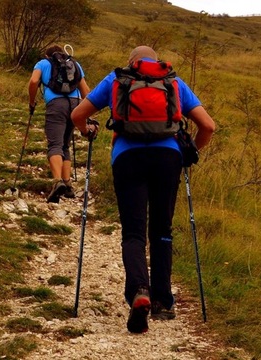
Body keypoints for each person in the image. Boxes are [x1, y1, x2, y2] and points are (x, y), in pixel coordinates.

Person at [71, 46, 215, 333]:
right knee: (162, 229)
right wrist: (190, 154)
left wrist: (87, 131)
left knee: (133, 232)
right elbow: (208, 126)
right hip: (168, 159)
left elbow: (78, 114)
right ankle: (163, 301)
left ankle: (139, 291)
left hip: (127, 158)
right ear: (155, 61)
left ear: (132, 62)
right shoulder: (174, 82)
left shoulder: (116, 80)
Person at [28, 44, 90, 203]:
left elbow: (34, 81)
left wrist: (31, 101)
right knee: (65, 145)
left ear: (46, 55)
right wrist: (85, 112)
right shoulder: (75, 64)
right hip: (75, 105)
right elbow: (86, 92)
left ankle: (57, 182)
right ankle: (68, 184)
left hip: (56, 104)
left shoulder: (43, 63)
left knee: (54, 144)